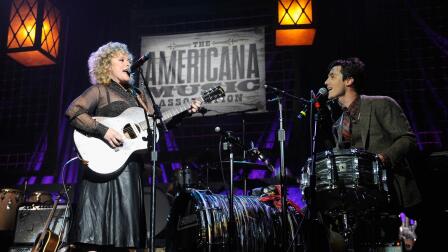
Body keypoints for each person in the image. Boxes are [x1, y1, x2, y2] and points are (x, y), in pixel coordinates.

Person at [65, 42, 201, 251]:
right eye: (121, 60)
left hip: (129, 167)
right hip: (102, 165)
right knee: (96, 237)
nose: (128, 63)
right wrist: (104, 130)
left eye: (128, 60)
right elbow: (74, 112)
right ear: (106, 66)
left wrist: (186, 111)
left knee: (126, 237)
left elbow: (157, 124)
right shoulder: (100, 90)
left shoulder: (139, 95)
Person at [322, 57, 422, 250]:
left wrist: (385, 157)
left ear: (349, 80)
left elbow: (407, 139)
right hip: (365, 201)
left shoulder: (382, 104)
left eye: (332, 76)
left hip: (397, 196)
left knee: (404, 247)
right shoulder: (338, 124)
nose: (326, 82)